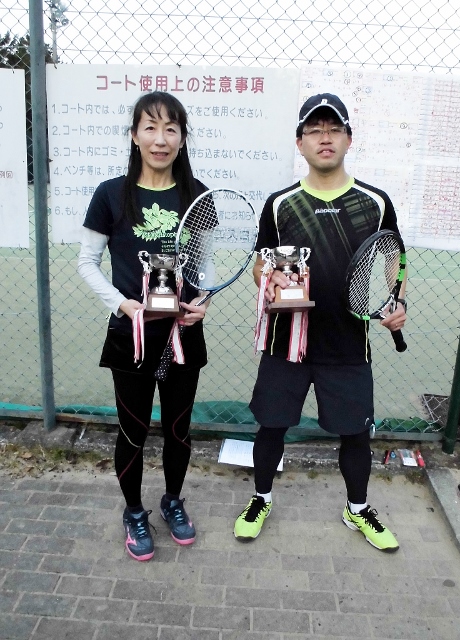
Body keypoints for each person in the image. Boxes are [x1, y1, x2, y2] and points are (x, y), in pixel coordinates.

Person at [234, 93, 407, 553]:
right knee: (271, 426)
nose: (324, 137)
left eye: (333, 129)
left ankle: (358, 509)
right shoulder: (280, 203)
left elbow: (393, 256)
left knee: (355, 433)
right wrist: (267, 281)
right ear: (300, 142)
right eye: (314, 130)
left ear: (349, 138)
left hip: (348, 344)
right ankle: (261, 498)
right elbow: (260, 263)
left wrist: (396, 300)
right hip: (286, 342)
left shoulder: (375, 202)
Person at [78, 91, 210, 562]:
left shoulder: (198, 195)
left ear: (182, 138)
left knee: (178, 429)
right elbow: (87, 262)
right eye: (150, 128)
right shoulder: (110, 194)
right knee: (133, 432)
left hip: (182, 337)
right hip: (130, 336)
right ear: (134, 135)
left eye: (171, 129)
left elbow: (205, 265)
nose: (160, 139)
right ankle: (134, 512)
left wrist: (203, 300)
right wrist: (123, 305)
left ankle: (172, 501)